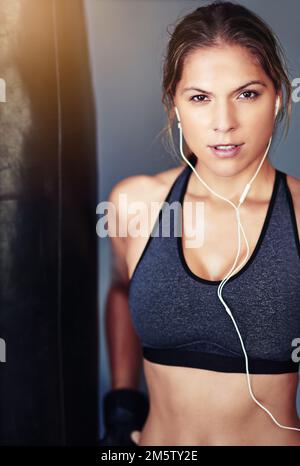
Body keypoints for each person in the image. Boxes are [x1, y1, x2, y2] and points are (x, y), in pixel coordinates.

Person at [106, 1, 300, 446]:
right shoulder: (135, 204)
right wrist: (121, 409)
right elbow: (120, 289)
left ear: (278, 97)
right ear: (173, 103)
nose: (224, 124)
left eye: (247, 94)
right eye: (199, 98)